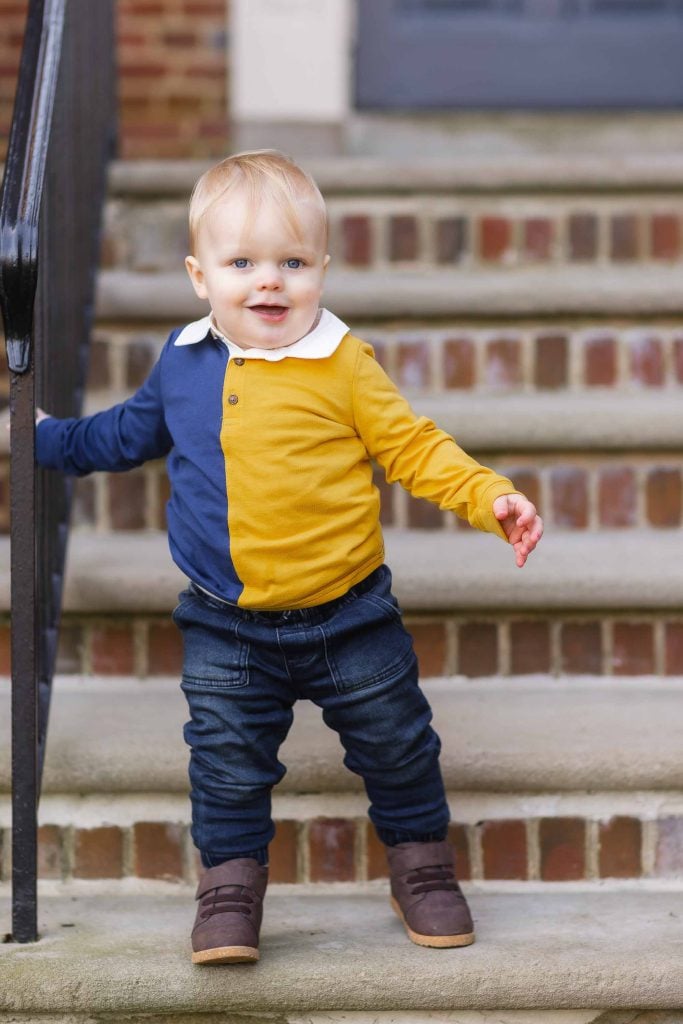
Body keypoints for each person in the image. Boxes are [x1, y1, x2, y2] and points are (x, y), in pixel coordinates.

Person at [35, 150, 543, 965]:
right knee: (227, 764)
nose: (268, 282)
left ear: (322, 271)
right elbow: (123, 434)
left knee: (398, 744)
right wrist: (45, 440)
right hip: (226, 621)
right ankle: (230, 888)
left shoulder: (343, 365)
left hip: (349, 614)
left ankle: (422, 866)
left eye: (292, 263)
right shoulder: (183, 361)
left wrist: (490, 498)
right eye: (242, 263)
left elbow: (414, 448)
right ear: (201, 276)